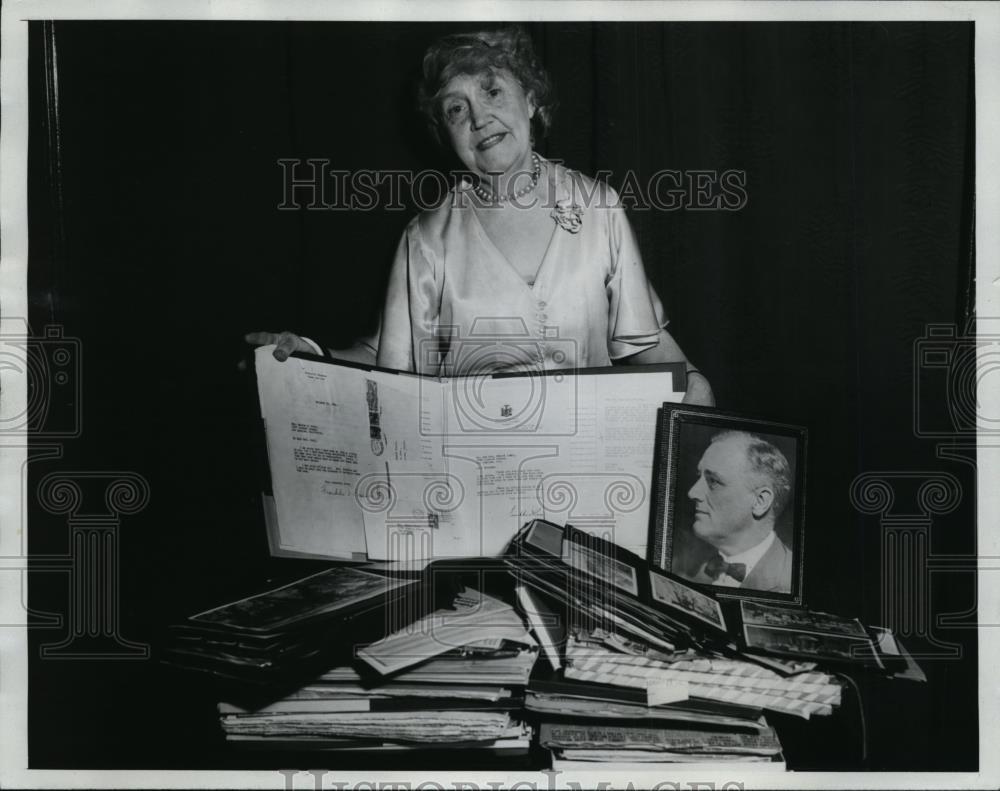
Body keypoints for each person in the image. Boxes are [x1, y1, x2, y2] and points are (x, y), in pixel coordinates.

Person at [246, 28, 713, 405]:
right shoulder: (427, 238)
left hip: (589, 472)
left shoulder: (600, 208)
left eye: (492, 91)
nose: (479, 118)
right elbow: (388, 359)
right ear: (445, 135)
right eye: (456, 108)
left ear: (531, 100)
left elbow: (644, 343)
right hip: (472, 485)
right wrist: (312, 356)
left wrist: (695, 383)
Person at [681, 430, 794, 593]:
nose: (693, 493)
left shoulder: (790, 582)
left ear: (760, 501)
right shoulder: (697, 573)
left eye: (713, 481)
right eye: (699, 477)